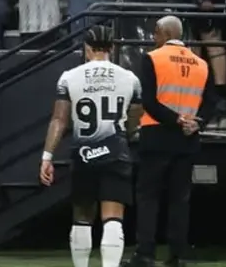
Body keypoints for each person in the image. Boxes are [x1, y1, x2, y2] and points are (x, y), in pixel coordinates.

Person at [38, 26, 142, 267]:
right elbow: (135, 119)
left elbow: (59, 119)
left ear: (86, 48)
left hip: (84, 155)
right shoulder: (130, 79)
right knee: (113, 219)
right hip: (116, 152)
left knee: (82, 218)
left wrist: (47, 156)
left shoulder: (69, 77)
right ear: (112, 48)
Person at [129, 15, 216, 267]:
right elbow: (211, 102)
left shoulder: (153, 58)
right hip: (187, 140)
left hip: (157, 136)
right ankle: (179, 255)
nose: (153, 37)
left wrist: (176, 120)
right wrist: (196, 122)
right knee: (180, 199)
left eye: (155, 32)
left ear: (162, 32)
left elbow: (149, 102)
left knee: (148, 197)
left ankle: (145, 254)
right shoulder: (201, 63)